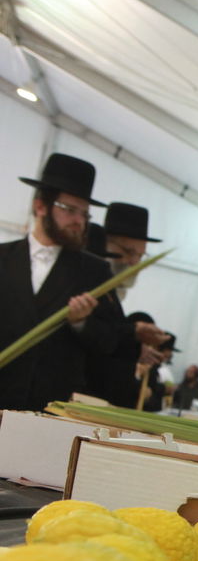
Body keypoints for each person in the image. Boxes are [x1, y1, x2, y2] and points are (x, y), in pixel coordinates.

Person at [0, 153, 123, 411]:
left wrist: (82, 323)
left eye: (85, 214)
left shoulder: (95, 272)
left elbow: (112, 342)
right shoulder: (2, 257)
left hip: (50, 411)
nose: (79, 221)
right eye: (69, 209)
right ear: (41, 206)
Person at [83, 203, 168, 407]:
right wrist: (133, 332)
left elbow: (109, 338)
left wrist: (136, 347)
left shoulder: (112, 292)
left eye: (140, 256)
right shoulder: (88, 283)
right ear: (106, 245)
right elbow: (93, 335)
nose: (133, 263)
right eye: (128, 252)